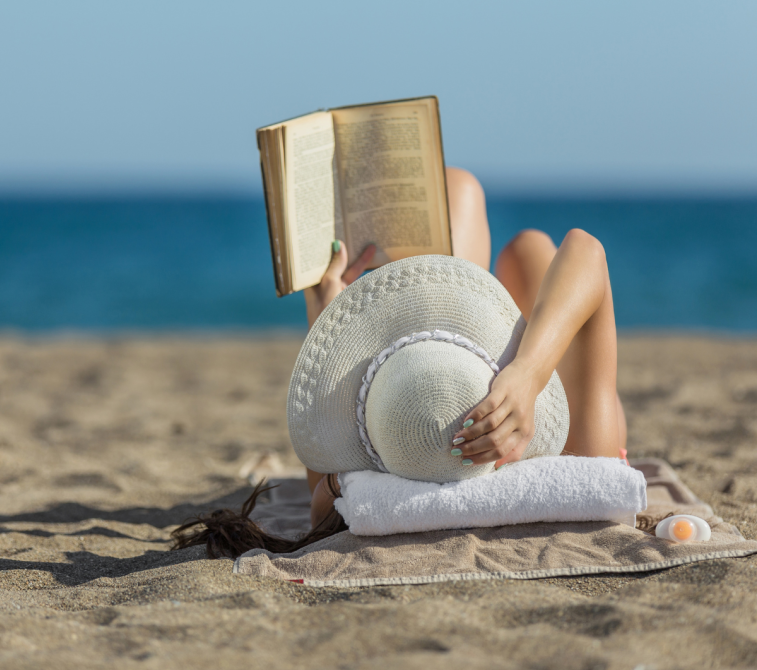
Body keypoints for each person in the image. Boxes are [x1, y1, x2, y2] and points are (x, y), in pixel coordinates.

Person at [174, 167, 627, 558]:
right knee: (528, 248)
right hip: (478, 379)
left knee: (459, 192)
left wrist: (329, 307)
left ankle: (349, 294)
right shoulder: (582, 454)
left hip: (419, 386)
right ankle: (493, 317)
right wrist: (528, 374)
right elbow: (586, 249)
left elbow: (324, 496)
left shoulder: (352, 479)